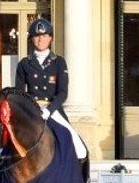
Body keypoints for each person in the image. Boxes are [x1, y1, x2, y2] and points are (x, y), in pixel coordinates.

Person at [14, 17, 89, 174]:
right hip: (31, 110)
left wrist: (48, 109)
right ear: (31, 39)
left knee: (79, 147)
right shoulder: (24, 63)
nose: (41, 39)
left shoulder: (59, 62)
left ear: (51, 38)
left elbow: (63, 92)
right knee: (8, 144)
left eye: (45, 35)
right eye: (37, 36)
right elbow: (20, 93)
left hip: (53, 110)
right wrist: (32, 108)